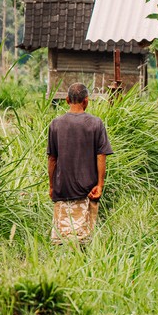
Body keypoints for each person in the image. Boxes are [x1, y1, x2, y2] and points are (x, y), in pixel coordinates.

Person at [47, 83, 114, 244]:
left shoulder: (55, 124)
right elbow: (101, 156)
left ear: (67, 100)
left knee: (61, 239)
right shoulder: (96, 123)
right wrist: (100, 184)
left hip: (62, 189)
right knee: (83, 240)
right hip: (87, 190)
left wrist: (52, 186)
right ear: (86, 101)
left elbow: (52, 159)